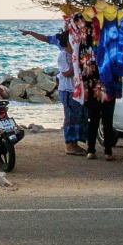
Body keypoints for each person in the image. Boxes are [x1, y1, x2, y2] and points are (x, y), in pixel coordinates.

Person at [20, 26, 83, 155]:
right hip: (67, 88)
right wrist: (79, 67)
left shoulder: (73, 53)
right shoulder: (64, 55)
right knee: (69, 117)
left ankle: (74, 143)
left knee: (75, 117)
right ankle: (69, 144)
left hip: (73, 88)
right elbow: (66, 72)